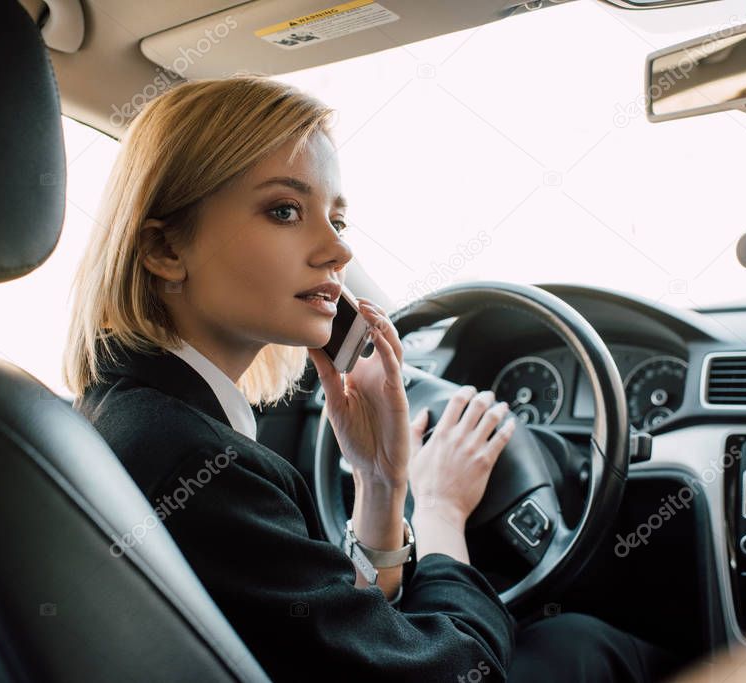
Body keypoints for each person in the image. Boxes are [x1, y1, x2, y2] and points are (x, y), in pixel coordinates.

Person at [63, 75, 679, 682]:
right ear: (165, 250)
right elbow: (458, 675)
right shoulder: (199, 463)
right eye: (285, 210)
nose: (338, 251)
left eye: (338, 219)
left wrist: (380, 482)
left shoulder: (123, 413)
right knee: (585, 642)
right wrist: (439, 508)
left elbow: (339, 635)